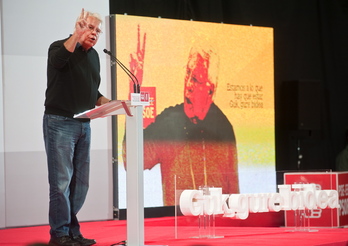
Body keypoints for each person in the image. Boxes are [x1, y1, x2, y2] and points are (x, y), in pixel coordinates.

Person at [124, 27, 239, 206]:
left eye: (195, 79)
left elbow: (234, 193)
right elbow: (132, 161)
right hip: (175, 225)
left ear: (210, 89)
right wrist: (134, 89)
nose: (188, 84)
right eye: (188, 74)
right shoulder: (169, 121)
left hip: (217, 225)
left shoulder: (223, 128)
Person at [43, 9, 110, 246]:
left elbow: (94, 91)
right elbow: (58, 61)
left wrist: (107, 103)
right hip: (59, 123)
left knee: (80, 183)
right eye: (90, 28)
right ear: (79, 27)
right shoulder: (59, 47)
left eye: (97, 31)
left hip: (84, 125)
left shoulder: (93, 57)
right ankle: (59, 234)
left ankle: (72, 231)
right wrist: (76, 35)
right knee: (61, 183)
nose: (94, 33)